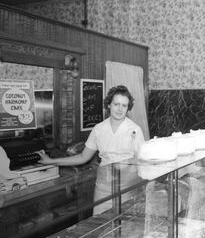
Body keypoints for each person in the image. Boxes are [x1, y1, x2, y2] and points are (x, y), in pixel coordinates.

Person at [37, 85, 145, 215]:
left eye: (124, 105)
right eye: (116, 104)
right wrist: (51, 161)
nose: (120, 109)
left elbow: (143, 161)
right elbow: (83, 157)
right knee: (101, 224)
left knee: (127, 227)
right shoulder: (99, 129)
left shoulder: (134, 130)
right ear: (109, 104)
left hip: (128, 186)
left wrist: (145, 187)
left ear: (128, 108)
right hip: (104, 187)